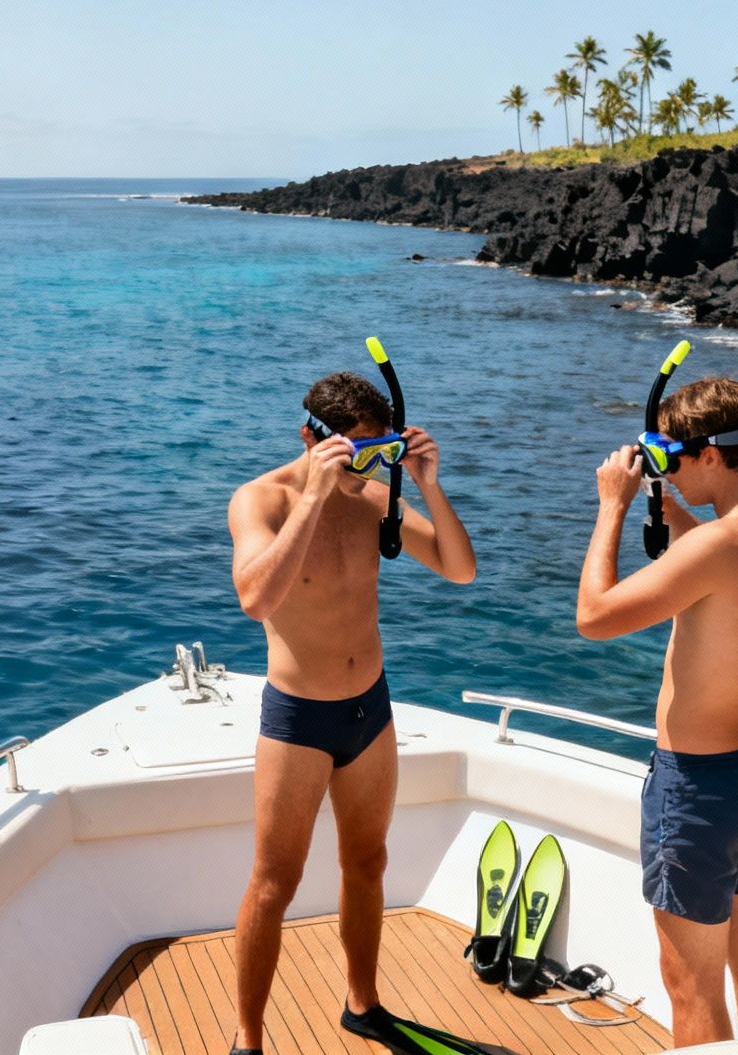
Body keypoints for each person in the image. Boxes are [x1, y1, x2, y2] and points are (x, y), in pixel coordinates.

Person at [226, 370, 477, 1055]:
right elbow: (255, 597)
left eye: (380, 451)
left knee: (368, 862)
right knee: (274, 883)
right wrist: (312, 497)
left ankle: (363, 1005)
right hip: (298, 720)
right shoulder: (262, 500)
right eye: (358, 452)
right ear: (314, 438)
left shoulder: (373, 498)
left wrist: (424, 480)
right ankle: (247, 1039)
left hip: (370, 709)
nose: (370, 467)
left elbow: (460, 570)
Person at [574, 376, 738, 1047]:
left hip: (700, 787)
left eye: (674, 458)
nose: (670, 472)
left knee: (691, 986)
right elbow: (712, 563)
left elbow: (594, 617)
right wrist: (663, 494)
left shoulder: (719, 548)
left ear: (711, 454)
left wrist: (613, 507)